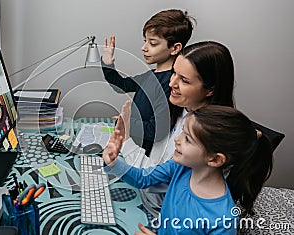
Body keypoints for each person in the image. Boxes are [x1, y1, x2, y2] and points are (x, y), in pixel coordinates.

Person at [103, 105, 274, 234]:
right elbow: (143, 178)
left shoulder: (223, 219)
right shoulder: (181, 167)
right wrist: (113, 162)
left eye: (188, 139)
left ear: (215, 159)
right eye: (182, 132)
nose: (177, 140)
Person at [117, 41, 236, 217]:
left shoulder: (204, 137)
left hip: (160, 213)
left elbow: (151, 179)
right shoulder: (181, 109)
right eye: (174, 73)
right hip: (146, 193)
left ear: (210, 90)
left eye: (184, 80)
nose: (172, 83)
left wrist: (126, 137)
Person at [102, 9, 195, 156]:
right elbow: (121, 85)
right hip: (129, 145)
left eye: (152, 43)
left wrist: (127, 123)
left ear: (175, 48)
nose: (144, 48)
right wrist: (107, 64)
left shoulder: (171, 85)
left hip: (142, 156)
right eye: (145, 41)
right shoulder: (151, 75)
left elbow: (156, 131)